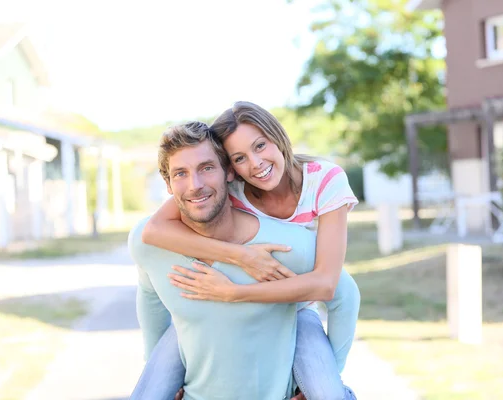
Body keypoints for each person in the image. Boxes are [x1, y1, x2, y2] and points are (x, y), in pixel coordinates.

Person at [141, 102, 361, 399]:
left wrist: (234, 293)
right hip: (212, 318)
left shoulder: (324, 181)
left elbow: (326, 284)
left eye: (260, 146)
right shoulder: (233, 186)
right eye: (240, 158)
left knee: (326, 393)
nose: (255, 164)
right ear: (230, 169)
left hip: (298, 307)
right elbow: (154, 230)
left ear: (278, 136)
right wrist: (240, 256)